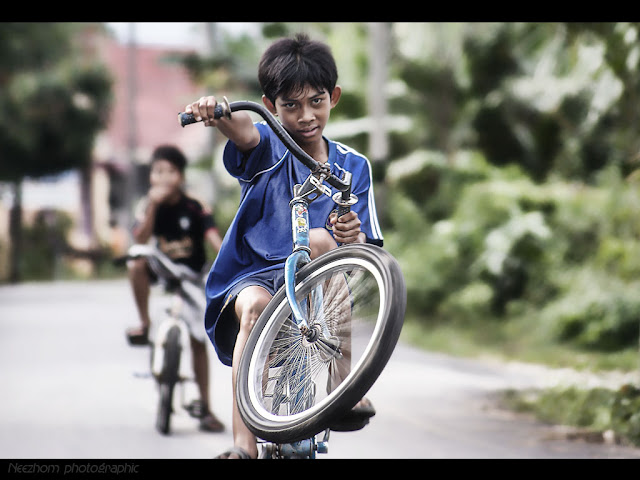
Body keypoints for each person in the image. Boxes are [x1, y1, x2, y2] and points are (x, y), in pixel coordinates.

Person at [184, 33, 383, 459]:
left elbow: (367, 243)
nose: (306, 116)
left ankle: (340, 387)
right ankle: (244, 444)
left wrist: (355, 235)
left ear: (335, 97)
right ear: (270, 105)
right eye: (290, 105)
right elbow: (242, 130)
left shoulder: (353, 166)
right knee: (254, 305)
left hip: (320, 280)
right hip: (252, 274)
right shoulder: (266, 143)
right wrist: (217, 112)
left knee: (325, 241)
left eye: (316, 101)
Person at [125, 144, 225, 433]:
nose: (164, 177)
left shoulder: (195, 204)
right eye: (158, 172)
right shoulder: (147, 204)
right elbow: (140, 239)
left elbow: (212, 236)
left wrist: (227, 257)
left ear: (180, 176)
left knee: (197, 339)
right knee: (136, 262)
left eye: (171, 171)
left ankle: (205, 407)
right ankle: (144, 323)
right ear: (151, 177)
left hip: (193, 274)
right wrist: (154, 205)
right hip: (162, 268)